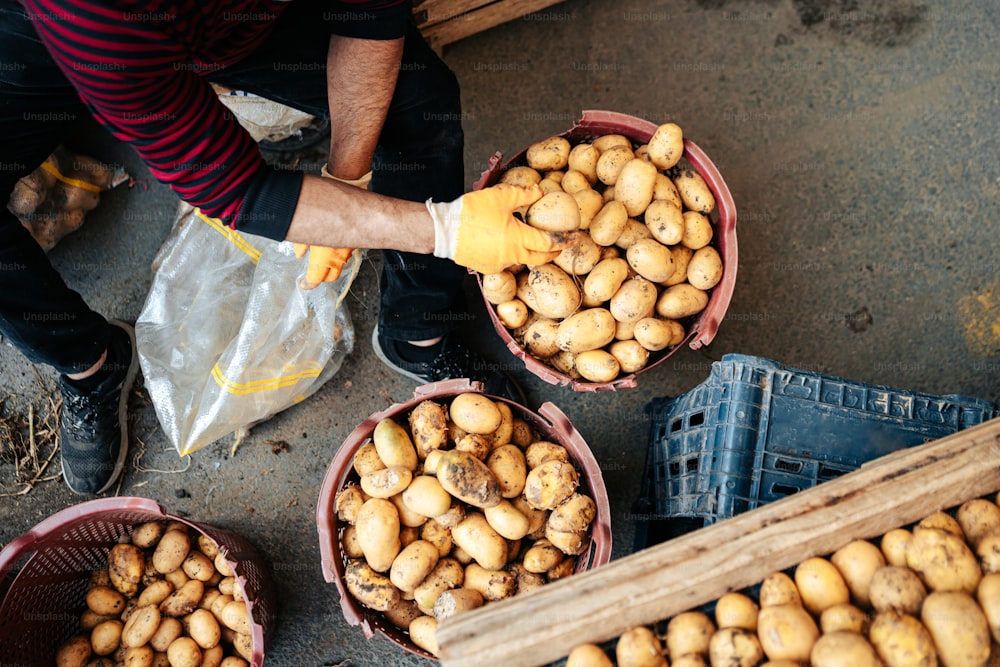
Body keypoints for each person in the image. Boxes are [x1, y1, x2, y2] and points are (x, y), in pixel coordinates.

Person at [2, 0, 570, 495]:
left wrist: (347, 182)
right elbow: (235, 186)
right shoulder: (95, 16)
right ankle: (90, 365)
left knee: (420, 100)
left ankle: (417, 330)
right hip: (35, 34)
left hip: (232, 25)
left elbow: (369, 17)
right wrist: (443, 230)